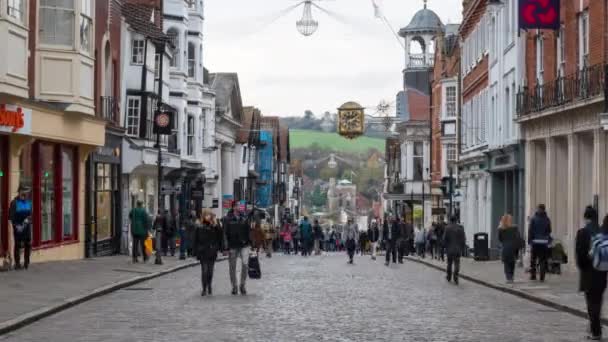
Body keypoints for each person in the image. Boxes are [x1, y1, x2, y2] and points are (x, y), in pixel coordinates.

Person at [576, 207, 607, 340]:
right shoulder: (603, 232)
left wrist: (583, 267)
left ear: (586, 218)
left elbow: (580, 257)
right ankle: (594, 328)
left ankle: (596, 332)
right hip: (602, 272)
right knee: (598, 301)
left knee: (591, 303)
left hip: (588, 273)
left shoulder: (583, 232)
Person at [223, 202, 251, 295]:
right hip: (233, 245)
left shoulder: (245, 218)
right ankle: (234, 286)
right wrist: (226, 247)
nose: (241, 207)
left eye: (241, 205)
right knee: (232, 267)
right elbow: (225, 233)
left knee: (245, 265)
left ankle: (242, 285)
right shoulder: (227, 219)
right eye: (239, 205)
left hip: (244, 245)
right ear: (234, 207)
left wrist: (251, 244)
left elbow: (248, 232)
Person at [194, 209, 223, 296]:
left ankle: (209, 284)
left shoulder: (214, 226)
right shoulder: (199, 226)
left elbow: (220, 236)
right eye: (206, 215)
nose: (208, 216)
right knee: (204, 270)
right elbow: (195, 239)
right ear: (203, 216)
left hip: (212, 251)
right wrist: (195, 251)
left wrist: (216, 223)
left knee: (210, 271)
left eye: (209, 215)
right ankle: (204, 288)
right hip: (203, 251)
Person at [9, 185, 32, 270]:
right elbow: (11, 217)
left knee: (28, 244)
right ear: (20, 192)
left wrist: (28, 220)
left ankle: (26, 263)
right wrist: (16, 226)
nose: (26, 194)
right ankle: (17, 264)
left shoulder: (28, 202)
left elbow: (30, 214)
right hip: (18, 226)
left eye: (27, 192)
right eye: (25, 192)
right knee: (18, 245)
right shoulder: (14, 203)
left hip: (27, 226)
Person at [528, 204, 552, 282]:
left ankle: (533, 275)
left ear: (538, 209)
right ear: (544, 209)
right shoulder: (547, 219)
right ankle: (542, 276)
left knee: (533, 259)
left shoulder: (533, 219)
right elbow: (549, 230)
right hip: (544, 242)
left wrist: (530, 240)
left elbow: (530, 230)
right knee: (542, 259)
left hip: (535, 242)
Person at [498, 214, 522, 284]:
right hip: (513, 247)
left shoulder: (501, 229)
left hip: (506, 247)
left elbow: (500, 239)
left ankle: (509, 277)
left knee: (507, 263)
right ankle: (511, 276)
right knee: (512, 262)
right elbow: (518, 237)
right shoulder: (515, 228)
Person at [444, 216, 466, 285]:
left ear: (450, 220)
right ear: (456, 220)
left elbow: (444, 238)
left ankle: (449, 276)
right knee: (457, 263)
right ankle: (455, 275)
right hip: (457, 249)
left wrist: (445, 247)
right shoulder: (460, 228)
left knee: (449, 263)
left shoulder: (447, 228)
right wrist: (462, 247)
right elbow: (463, 239)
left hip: (449, 249)